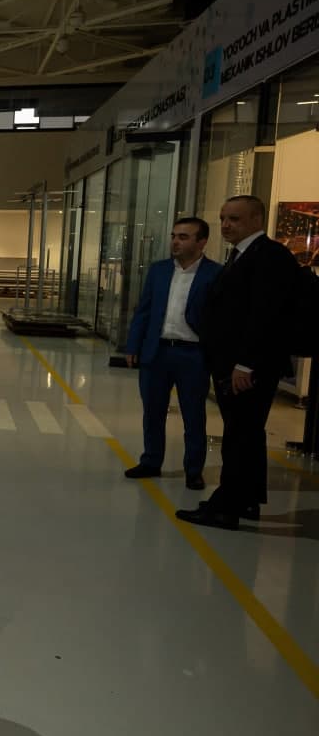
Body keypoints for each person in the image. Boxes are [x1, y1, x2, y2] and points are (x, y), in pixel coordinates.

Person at [177, 195, 296, 531]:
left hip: (247, 368)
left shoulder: (269, 256)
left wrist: (245, 364)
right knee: (246, 434)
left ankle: (226, 507)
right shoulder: (242, 254)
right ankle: (245, 499)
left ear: (256, 220)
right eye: (223, 218)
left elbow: (265, 315)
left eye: (235, 219)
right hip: (234, 363)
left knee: (239, 437)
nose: (226, 225)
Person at [122, 217, 220, 490]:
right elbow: (144, 310)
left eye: (184, 237)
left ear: (201, 242)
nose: (176, 242)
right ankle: (151, 461)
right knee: (152, 411)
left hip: (193, 355)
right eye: (174, 236)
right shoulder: (159, 270)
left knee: (193, 415)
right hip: (157, 352)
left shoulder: (215, 274)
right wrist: (133, 345)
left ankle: (194, 470)